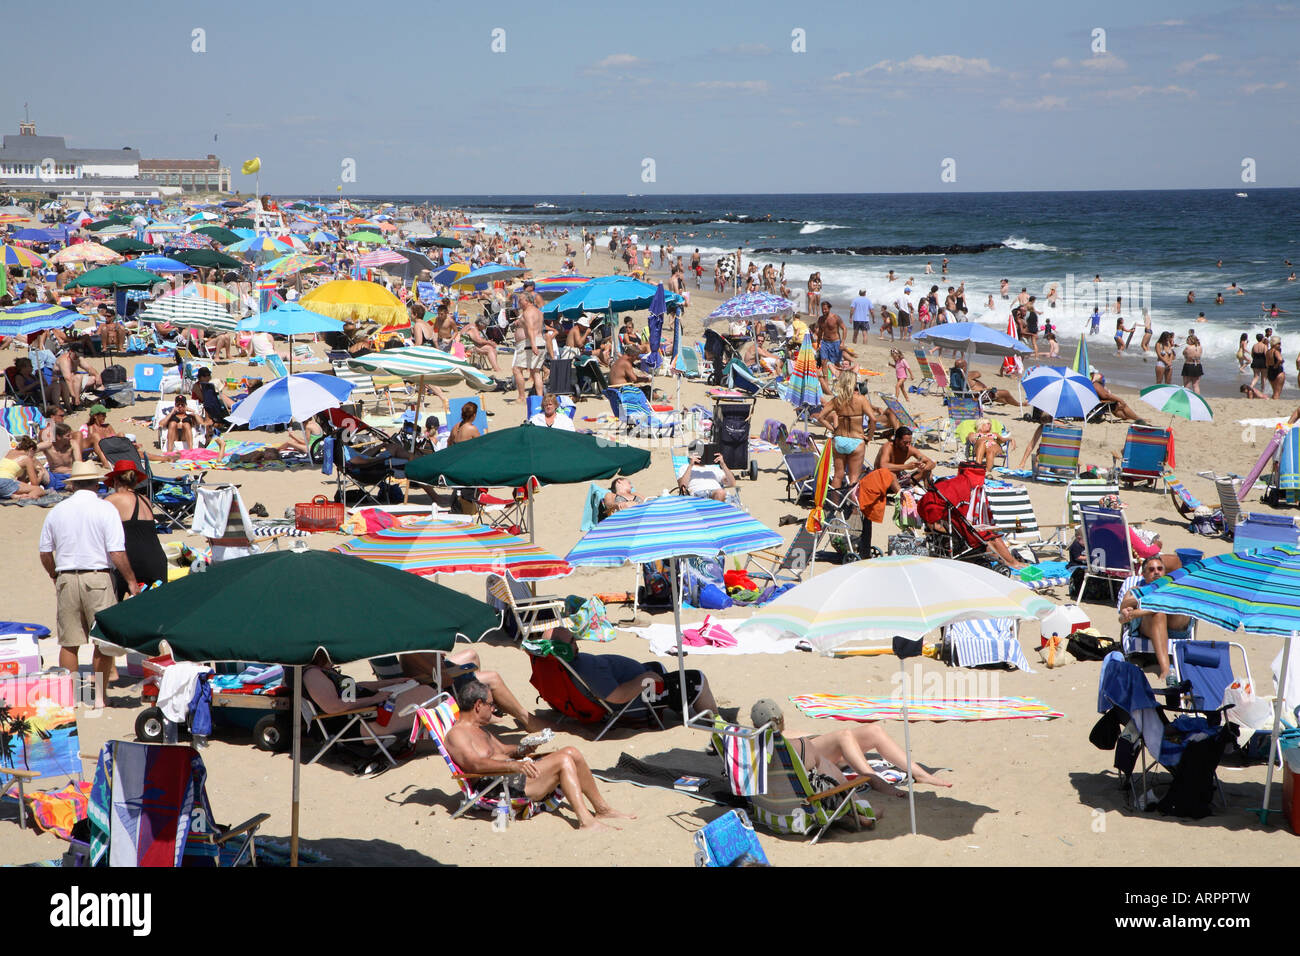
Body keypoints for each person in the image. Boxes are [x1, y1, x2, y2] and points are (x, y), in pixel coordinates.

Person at [441, 679, 633, 831]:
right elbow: (475, 765)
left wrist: (523, 749)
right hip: (498, 786)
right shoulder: (457, 734)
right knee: (563, 760)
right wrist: (513, 766)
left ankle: (602, 809)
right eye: (491, 705)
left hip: (512, 775)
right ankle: (586, 821)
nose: (493, 709)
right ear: (478, 705)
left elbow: (503, 751)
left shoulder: (481, 729)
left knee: (571, 752)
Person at [38, 460, 140, 708]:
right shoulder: (105, 509)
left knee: (69, 642)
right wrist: (131, 581)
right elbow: (116, 551)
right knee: (102, 641)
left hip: (66, 576)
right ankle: (100, 698)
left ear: (73, 485)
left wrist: (55, 576)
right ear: (96, 483)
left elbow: (44, 552)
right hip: (97, 575)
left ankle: (71, 698)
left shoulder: (58, 510)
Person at [749, 699, 951, 801]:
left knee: (874, 730)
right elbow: (803, 755)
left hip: (820, 746)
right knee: (844, 735)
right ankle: (875, 780)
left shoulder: (753, 737)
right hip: (815, 753)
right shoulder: (769, 742)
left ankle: (920, 774)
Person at [1118, 555, 1192, 685]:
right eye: (1151, 570)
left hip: (1176, 625)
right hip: (1150, 626)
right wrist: (1128, 613)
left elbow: (1176, 561)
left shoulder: (1173, 587)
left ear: (1165, 572)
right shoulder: (1136, 589)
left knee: (1179, 603)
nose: (1156, 572)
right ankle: (1166, 670)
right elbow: (1122, 614)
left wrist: (1137, 612)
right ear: (1143, 574)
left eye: (1159, 569)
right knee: (1159, 614)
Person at [103, 459, 167, 600]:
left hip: (133, 561)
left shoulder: (113, 500)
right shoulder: (146, 500)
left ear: (115, 481)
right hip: (157, 558)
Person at [815, 370, 876, 492]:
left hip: (839, 439)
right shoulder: (861, 399)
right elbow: (873, 419)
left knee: (838, 475)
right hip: (856, 440)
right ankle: (853, 509)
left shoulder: (836, 400)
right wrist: (869, 436)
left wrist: (833, 429)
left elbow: (821, 417)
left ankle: (834, 505)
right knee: (854, 478)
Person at [511, 291, 547, 402]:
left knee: (516, 369)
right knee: (536, 371)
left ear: (527, 301)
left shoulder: (527, 313)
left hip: (531, 343)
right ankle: (540, 397)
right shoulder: (539, 312)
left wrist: (532, 344)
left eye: (520, 300)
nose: (519, 302)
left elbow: (531, 329)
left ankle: (521, 397)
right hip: (541, 341)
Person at [954, 360, 1023, 407]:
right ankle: (1018, 404)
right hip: (979, 396)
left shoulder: (955, 375)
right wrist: (985, 389)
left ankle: (1009, 402)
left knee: (1001, 397)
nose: (967, 367)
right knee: (1005, 392)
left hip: (976, 395)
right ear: (963, 367)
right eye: (966, 366)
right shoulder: (965, 376)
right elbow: (978, 374)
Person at [0, 436, 46, 500]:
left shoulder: (10, 452)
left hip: (4, 483)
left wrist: (25, 471)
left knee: (17, 489)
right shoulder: (26, 459)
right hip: (5, 482)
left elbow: (20, 482)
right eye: (34, 454)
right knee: (39, 490)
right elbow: (34, 484)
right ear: (31, 450)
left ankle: (14, 495)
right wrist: (41, 475)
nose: (33, 457)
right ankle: (26, 497)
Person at [815, 300, 845, 367]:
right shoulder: (820, 319)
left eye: (825, 309)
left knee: (837, 362)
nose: (824, 311)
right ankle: (825, 378)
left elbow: (844, 329)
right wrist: (818, 343)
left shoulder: (835, 317)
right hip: (825, 342)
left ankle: (839, 375)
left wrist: (842, 342)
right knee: (823, 362)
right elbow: (820, 332)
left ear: (829, 308)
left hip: (835, 342)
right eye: (822, 309)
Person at [1267, 334, 1286, 399]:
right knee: (1277, 393)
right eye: (1279, 343)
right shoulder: (1276, 351)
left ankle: (1272, 403)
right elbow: (1280, 359)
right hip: (1278, 371)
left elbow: (1267, 363)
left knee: (1275, 391)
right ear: (1275, 344)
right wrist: (1277, 365)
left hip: (1270, 371)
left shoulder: (1268, 351)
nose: (1280, 345)